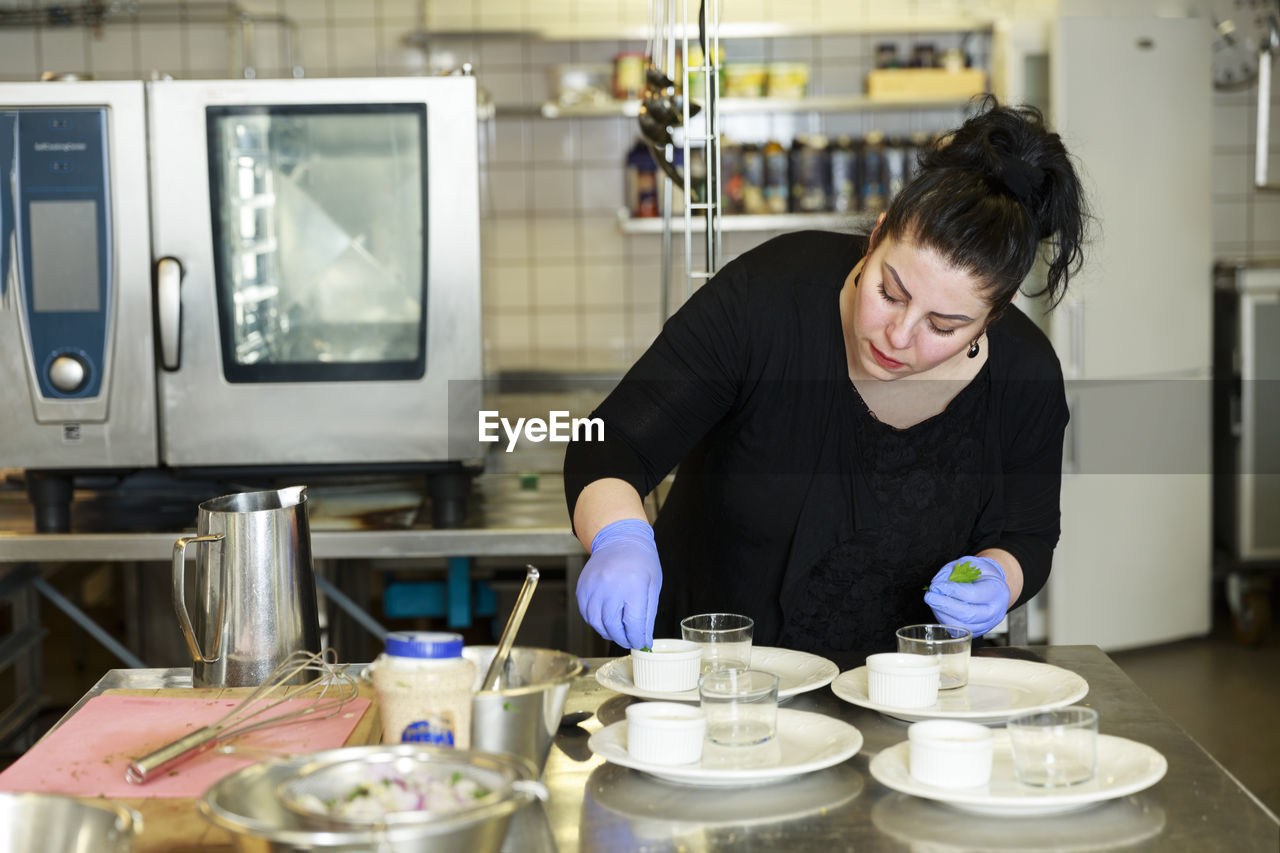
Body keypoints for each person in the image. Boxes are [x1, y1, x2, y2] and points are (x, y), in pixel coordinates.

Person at [564, 96, 1087, 667]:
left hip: (905, 701)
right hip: (709, 681)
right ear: (877, 235)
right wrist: (620, 538)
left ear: (998, 310)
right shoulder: (767, 299)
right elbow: (610, 446)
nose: (898, 335)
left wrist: (1000, 576)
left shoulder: (1024, 376)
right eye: (889, 292)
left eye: (943, 325)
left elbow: (1028, 536)